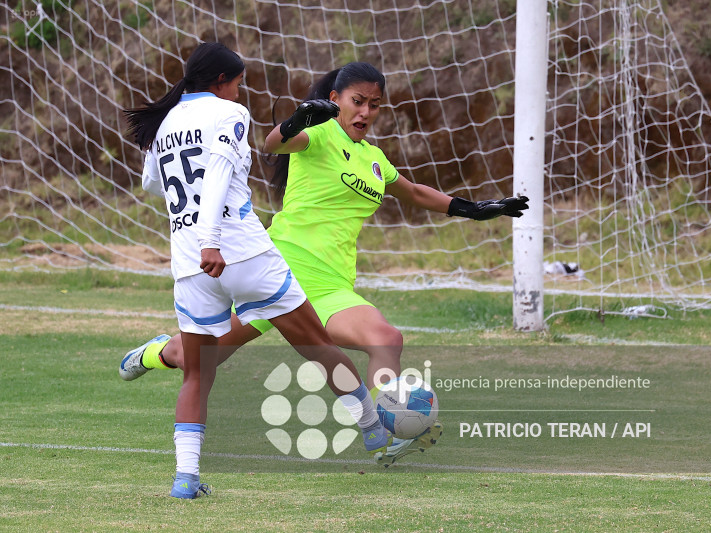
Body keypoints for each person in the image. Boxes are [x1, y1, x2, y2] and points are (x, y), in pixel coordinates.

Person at [121, 61, 528, 467]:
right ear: (335, 100)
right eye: (358, 101)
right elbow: (273, 143)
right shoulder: (316, 134)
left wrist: (473, 210)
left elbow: (416, 193)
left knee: (387, 339)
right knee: (193, 358)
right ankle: (155, 352)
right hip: (278, 271)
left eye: (374, 104)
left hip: (331, 286)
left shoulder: (373, 159)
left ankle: (388, 431)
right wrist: (297, 119)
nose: (365, 112)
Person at [123, 46, 389, 499]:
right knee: (317, 345)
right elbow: (220, 172)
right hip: (240, 253)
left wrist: (196, 235)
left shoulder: (166, 123)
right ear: (223, 80)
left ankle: (185, 479)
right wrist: (212, 238)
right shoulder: (230, 112)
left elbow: (153, 182)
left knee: (198, 373)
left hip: (189, 263)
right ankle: (374, 428)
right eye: (240, 83)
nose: (240, 91)